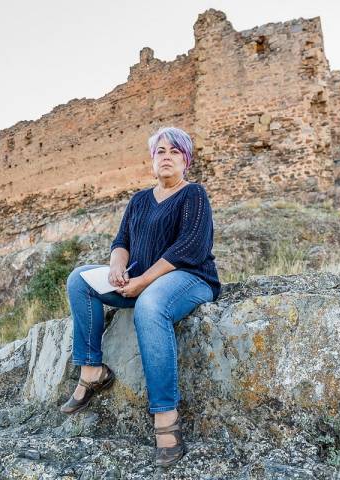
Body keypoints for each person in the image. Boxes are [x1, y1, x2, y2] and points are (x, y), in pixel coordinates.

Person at [60, 126, 221, 468]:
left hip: (189, 278)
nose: (166, 156)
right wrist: (118, 267)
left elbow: (190, 248)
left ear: (186, 160)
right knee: (80, 280)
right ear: (152, 159)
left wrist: (143, 281)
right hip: (139, 280)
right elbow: (121, 242)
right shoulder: (139, 200)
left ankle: (166, 417)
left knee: (150, 305)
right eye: (160, 151)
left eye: (174, 151)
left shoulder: (193, 195)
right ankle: (92, 370)